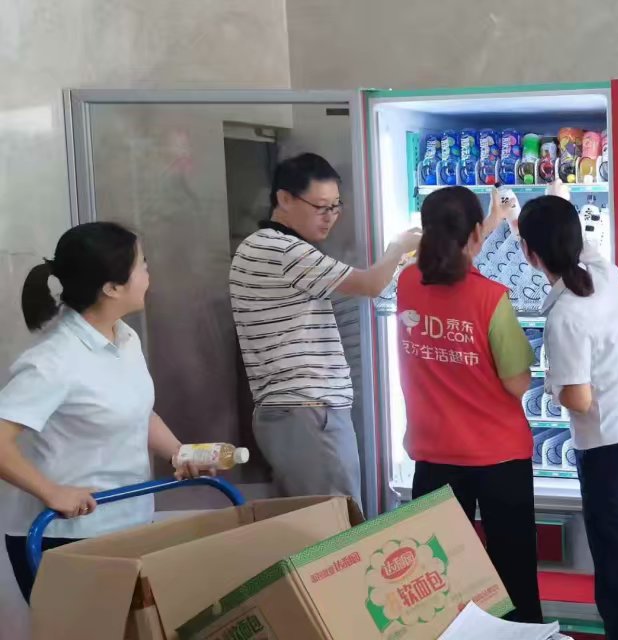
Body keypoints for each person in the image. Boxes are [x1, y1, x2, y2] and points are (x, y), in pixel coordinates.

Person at [0, 222, 208, 602]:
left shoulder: (124, 337)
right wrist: (52, 492)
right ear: (112, 287)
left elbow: (138, 413)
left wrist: (180, 453)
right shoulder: (54, 360)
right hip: (65, 537)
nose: (149, 274)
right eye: (142, 265)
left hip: (130, 522)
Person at [513, 186, 618, 640]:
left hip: (609, 459)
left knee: (617, 583)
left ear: (530, 254)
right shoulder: (606, 272)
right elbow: (570, 241)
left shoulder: (565, 317)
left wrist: (549, 381)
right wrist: (545, 205)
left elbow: (578, 399)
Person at [229, 153, 420, 503]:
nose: (330, 216)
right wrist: (398, 248)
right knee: (337, 522)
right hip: (308, 411)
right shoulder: (283, 250)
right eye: (320, 207)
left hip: (293, 412)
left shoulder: (261, 246)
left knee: (316, 520)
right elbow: (369, 284)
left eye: (335, 206)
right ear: (284, 198)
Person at [394, 186, 543, 622]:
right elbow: (517, 383)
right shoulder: (490, 298)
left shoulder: (407, 283)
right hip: (498, 457)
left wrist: (488, 221)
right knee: (513, 576)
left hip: (432, 455)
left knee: (438, 582)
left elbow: (445, 264)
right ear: (476, 234)